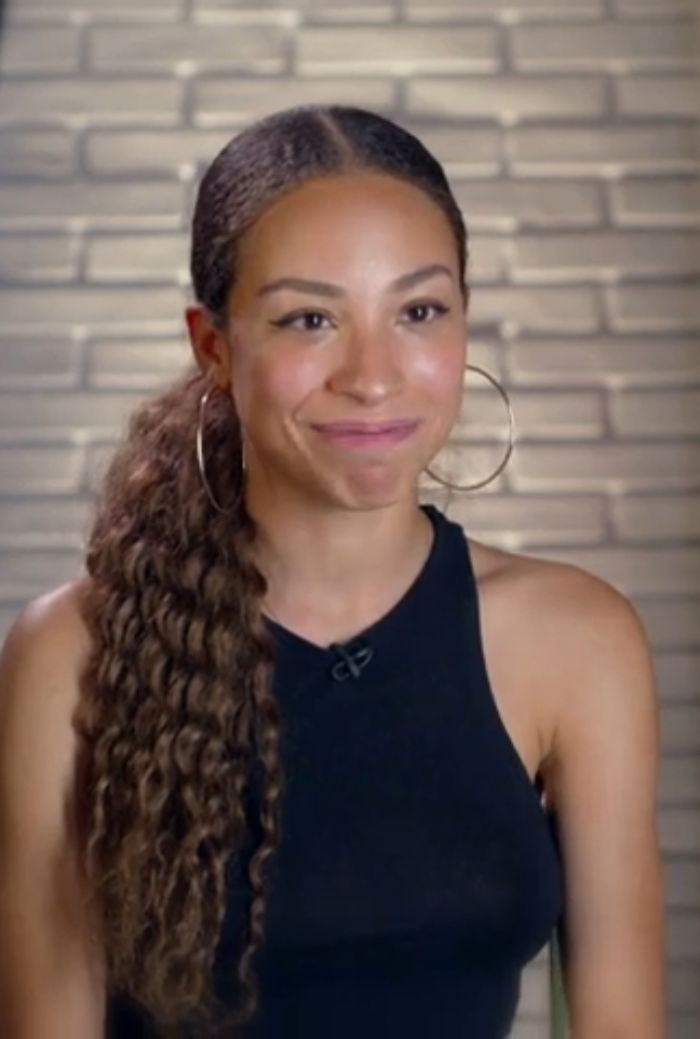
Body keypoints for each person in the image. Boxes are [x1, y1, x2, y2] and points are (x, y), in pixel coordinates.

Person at [0, 104, 665, 1038]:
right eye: (310, 318)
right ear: (215, 347)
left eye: (419, 311)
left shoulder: (579, 641)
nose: (375, 375)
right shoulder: (67, 655)